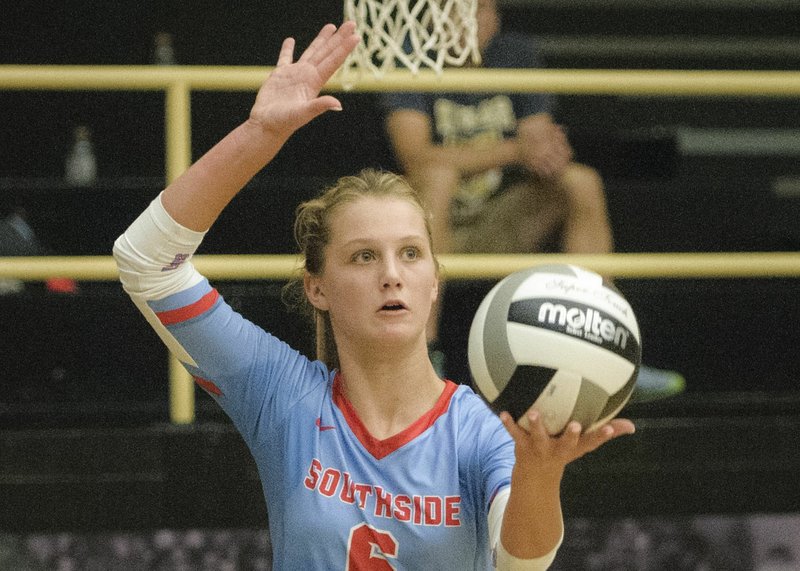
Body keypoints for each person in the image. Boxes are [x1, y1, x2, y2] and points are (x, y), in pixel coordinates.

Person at [113, 22, 634, 569]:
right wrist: (259, 134)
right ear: (317, 287)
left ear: (434, 281)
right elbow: (147, 262)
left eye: (410, 254)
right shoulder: (285, 399)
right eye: (364, 256)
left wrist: (540, 473)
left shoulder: (478, 430)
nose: (392, 274)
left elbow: (522, 561)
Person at [381, 0, 685, 402]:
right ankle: (423, 355)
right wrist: (512, 150)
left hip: (498, 219)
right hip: (428, 229)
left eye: (484, 10)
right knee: (435, 177)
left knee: (580, 181)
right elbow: (416, 157)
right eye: (461, 9)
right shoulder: (409, 55)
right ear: (436, 16)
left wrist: (547, 151)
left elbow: (538, 146)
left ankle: (608, 350)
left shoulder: (514, 53)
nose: (475, 20)